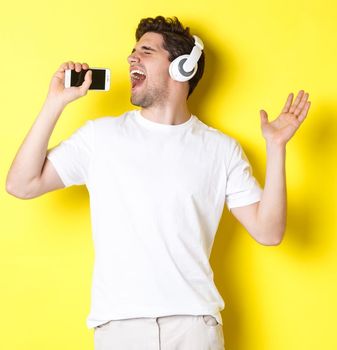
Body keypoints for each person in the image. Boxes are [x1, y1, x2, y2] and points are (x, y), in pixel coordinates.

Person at [5, 15, 310, 350]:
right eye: (133, 51)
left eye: (146, 51)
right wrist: (55, 102)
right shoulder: (100, 137)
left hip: (194, 327)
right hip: (120, 328)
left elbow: (269, 232)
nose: (131, 58)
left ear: (182, 67)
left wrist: (276, 147)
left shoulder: (220, 149)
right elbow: (22, 184)